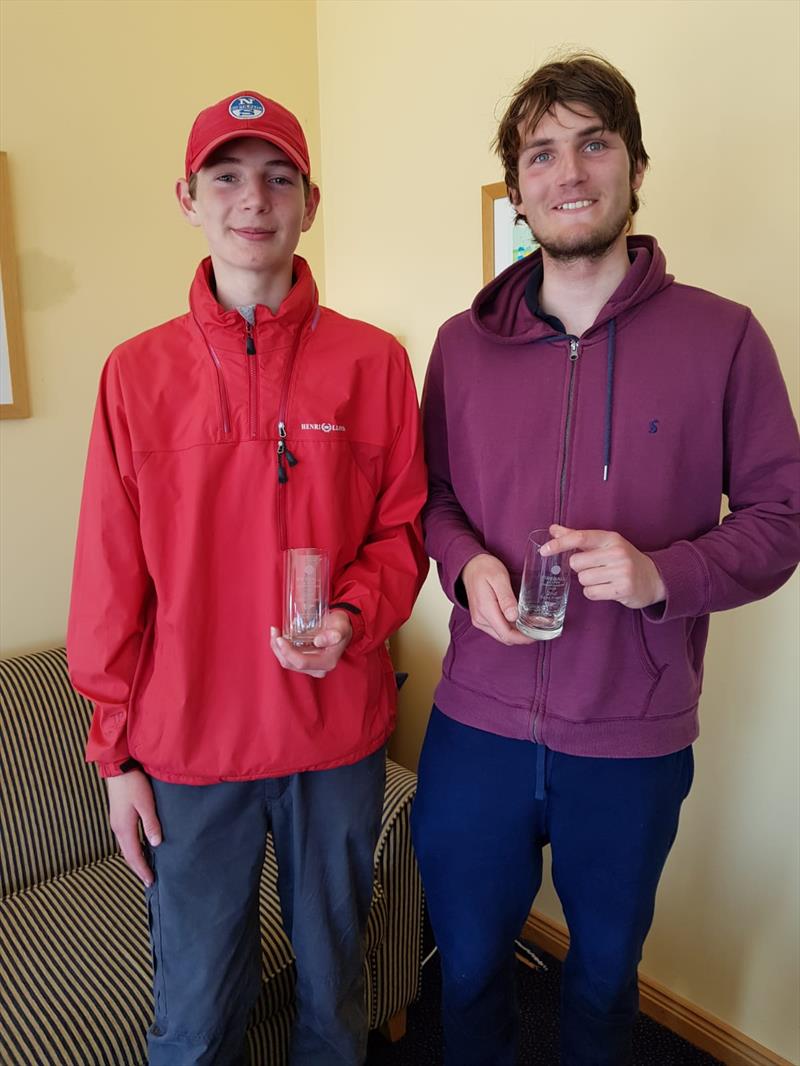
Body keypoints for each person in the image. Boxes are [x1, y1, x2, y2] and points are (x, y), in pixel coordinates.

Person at [411, 53, 800, 1066]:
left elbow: (778, 515)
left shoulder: (723, 338)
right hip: (476, 727)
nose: (567, 170)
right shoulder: (460, 345)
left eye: (592, 142)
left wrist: (661, 574)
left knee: (599, 980)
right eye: (540, 151)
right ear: (517, 184)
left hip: (630, 738)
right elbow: (432, 499)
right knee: (466, 968)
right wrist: (464, 566)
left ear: (631, 164)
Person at [67, 89, 428, 1066]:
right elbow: (107, 581)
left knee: (333, 1000)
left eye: (277, 177)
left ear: (311, 200)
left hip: (333, 743)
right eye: (225, 176)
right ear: (185, 196)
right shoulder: (133, 374)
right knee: (194, 1019)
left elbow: (401, 535)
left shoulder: (374, 362)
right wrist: (115, 757)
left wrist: (351, 617)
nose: (251, 199)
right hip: (187, 755)